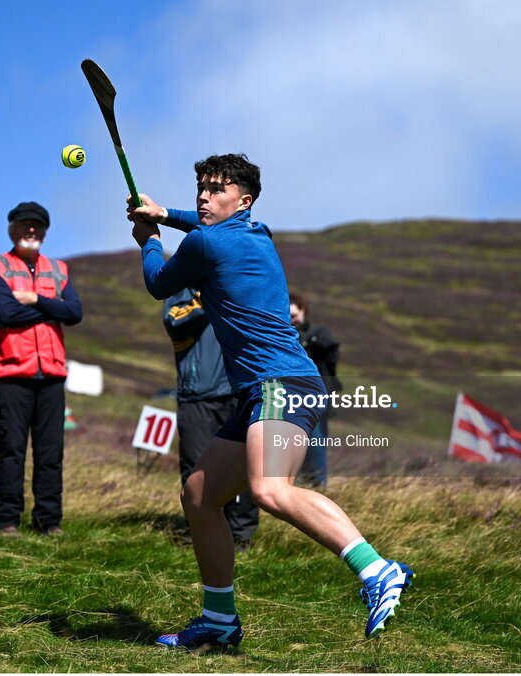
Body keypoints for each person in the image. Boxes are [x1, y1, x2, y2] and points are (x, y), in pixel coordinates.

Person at [126, 154, 414, 650]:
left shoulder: (206, 242)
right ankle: (218, 621)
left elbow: (159, 283)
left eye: (217, 189)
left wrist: (149, 239)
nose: (203, 196)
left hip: (283, 383)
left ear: (244, 199)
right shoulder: (257, 232)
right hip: (260, 390)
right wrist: (165, 213)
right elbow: (201, 223)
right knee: (198, 495)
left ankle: (378, 570)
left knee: (270, 489)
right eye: (201, 187)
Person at [0, 202, 82, 537]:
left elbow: (75, 312)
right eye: (24, 225)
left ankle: (49, 521)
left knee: (51, 453)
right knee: (12, 451)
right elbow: (6, 313)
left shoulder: (58, 269)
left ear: (45, 232)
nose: (30, 231)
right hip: (10, 372)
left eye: (37, 226)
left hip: (51, 373)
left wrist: (35, 301)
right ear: (12, 229)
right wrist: (55, 309)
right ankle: (6, 520)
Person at [164, 287, 259, 549]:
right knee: (196, 467)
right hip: (197, 396)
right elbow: (174, 322)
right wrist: (208, 297)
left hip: (240, 391)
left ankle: (240, 536)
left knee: (244, 466)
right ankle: (202, 531)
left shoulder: (235, 280)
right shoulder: (181, 287)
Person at [289, 293, 341, 487]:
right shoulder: (284, 334)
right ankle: (299, 484)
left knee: (316, 442)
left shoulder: (319, 333)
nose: (292, 320)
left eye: (294, 315)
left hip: (317, 399)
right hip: (291, 399)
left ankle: (318, 484)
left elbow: (331, 352)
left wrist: (307, 342)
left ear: (304, 311)